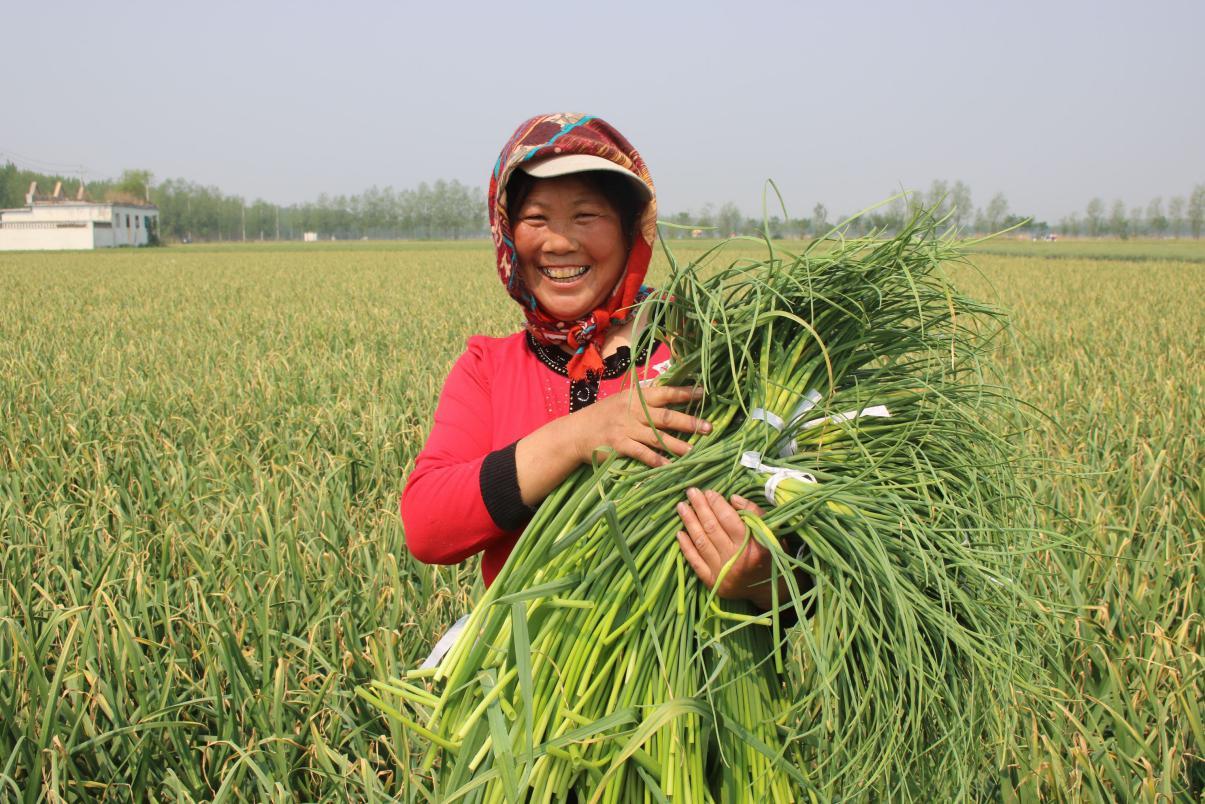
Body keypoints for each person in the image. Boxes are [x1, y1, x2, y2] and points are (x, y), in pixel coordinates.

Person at [402, 113, 785, 611]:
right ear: (507, 234)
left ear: (632, 230)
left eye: (586, 217)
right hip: (527, 676)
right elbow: (428, 526)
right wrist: (578, 436)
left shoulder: (708, 348)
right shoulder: (489, 368)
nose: (559, 243)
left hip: (696, 679)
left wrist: (760, 579)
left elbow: (804, 564)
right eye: (536, 219)